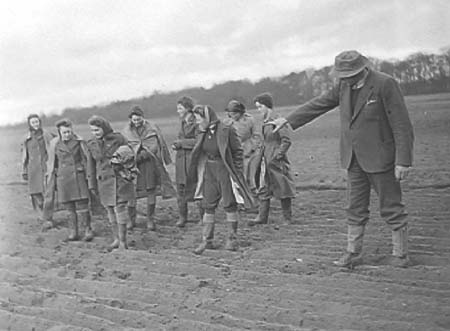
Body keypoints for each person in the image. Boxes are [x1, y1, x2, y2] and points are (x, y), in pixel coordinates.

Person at [270, 50, 414, 268]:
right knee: (354, 206)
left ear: (363, 68)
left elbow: (401, 123)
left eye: (350, 74)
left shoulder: (385, 84)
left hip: (381, 158)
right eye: (343, 76)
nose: (346, 79)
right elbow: (319, 104)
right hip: (353, 158)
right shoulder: (344, 86)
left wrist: (403, 160)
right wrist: (288, 120)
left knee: (391, 205)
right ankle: (353, 253)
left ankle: (401, 254)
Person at [187, 105, 255, 255]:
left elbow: (238, 151)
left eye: (199, 118)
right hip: (209, 170)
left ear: (207, 117)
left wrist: (236, 173)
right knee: (208, 205)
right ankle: (207, 240)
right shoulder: (201, 132)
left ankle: (232, 238)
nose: (197, 122)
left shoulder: (226, 130)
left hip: (225, 169)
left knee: (229, 204)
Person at [121, 105, 176, 231]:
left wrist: (145, 154)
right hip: (134, 165)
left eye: (138, 119)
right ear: (130, 119)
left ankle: (150, 219)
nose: (136, 122)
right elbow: (125, 147)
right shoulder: (126, 131)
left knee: (151, 190)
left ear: (143, 117)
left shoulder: (152, 128)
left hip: (151, 163)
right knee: (132, 192)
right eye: (134, 120)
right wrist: (133, 157)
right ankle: (131, 219)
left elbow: (156, 144)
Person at [87, 115, 137, 250]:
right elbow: (91, 166)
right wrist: (92, 184)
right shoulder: (91, 144)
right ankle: (116, 238)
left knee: (119, 208)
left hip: (119, 179)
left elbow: (130, 156)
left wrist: (128, 172)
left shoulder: (119, 139)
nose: (94, 133)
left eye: (97, 130)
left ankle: (123, 241)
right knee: (110, 209)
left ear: (104, 128)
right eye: (92, 131)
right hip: (104, 181)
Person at [248, 93, 296, 225]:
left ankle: (287, 217)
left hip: (276, 159)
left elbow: (286, 141)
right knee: (263, 186)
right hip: (264, 158)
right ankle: (262, 217)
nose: (259, 110)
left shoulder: (277, 120)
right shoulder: (265, 120)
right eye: (257, 107)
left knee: (282, 186)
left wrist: (278, 156)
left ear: (267, 105)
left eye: (260, 106)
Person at [46, 119, 94, 241]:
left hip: (78, 176)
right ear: (59, 132)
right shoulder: (55, 144)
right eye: (64, 132)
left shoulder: (79, 142)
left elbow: (86, 159)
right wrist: (54, 178)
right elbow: (52, 164)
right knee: (69, 207)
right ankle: (73, 232)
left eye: (69, 132)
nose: (67, 134)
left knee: (82, 204)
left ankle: (87, 229)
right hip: (63, 178)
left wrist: (86, 174)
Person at [172, 96, 203, 227]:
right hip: (180, 161)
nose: (178, 110)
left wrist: (181, 143)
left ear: (188, 108)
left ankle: (203, 218)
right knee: (180, 190)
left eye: (180, 108)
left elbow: (199, 141)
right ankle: (182, 217)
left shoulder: (197, 123)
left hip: (192, 160)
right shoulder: (182, 122)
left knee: (197, 188)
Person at [224, 100, 261, 200]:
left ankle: (256, 199)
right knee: (241, 178)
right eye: (231, 113)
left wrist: (252, 148)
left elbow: (256, 135)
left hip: (252, 152)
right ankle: (244, 200)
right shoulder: (227, 123)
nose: (233, 115)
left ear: (241, 112)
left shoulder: (250, 120)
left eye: (235, 113)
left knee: (251, 178)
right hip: (237, 154)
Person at [21, 114, 54, 215]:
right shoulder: (26, 138)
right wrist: (24, 170)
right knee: (35, 193)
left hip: (46, 167)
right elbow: (24, 156)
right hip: (33, 169)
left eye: (37, 121)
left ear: (40, 122)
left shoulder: (47, 135)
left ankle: (48, 217)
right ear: (29, 124)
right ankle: (40, 215)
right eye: (33, 122)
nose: (36, 124)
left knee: (48, 193)